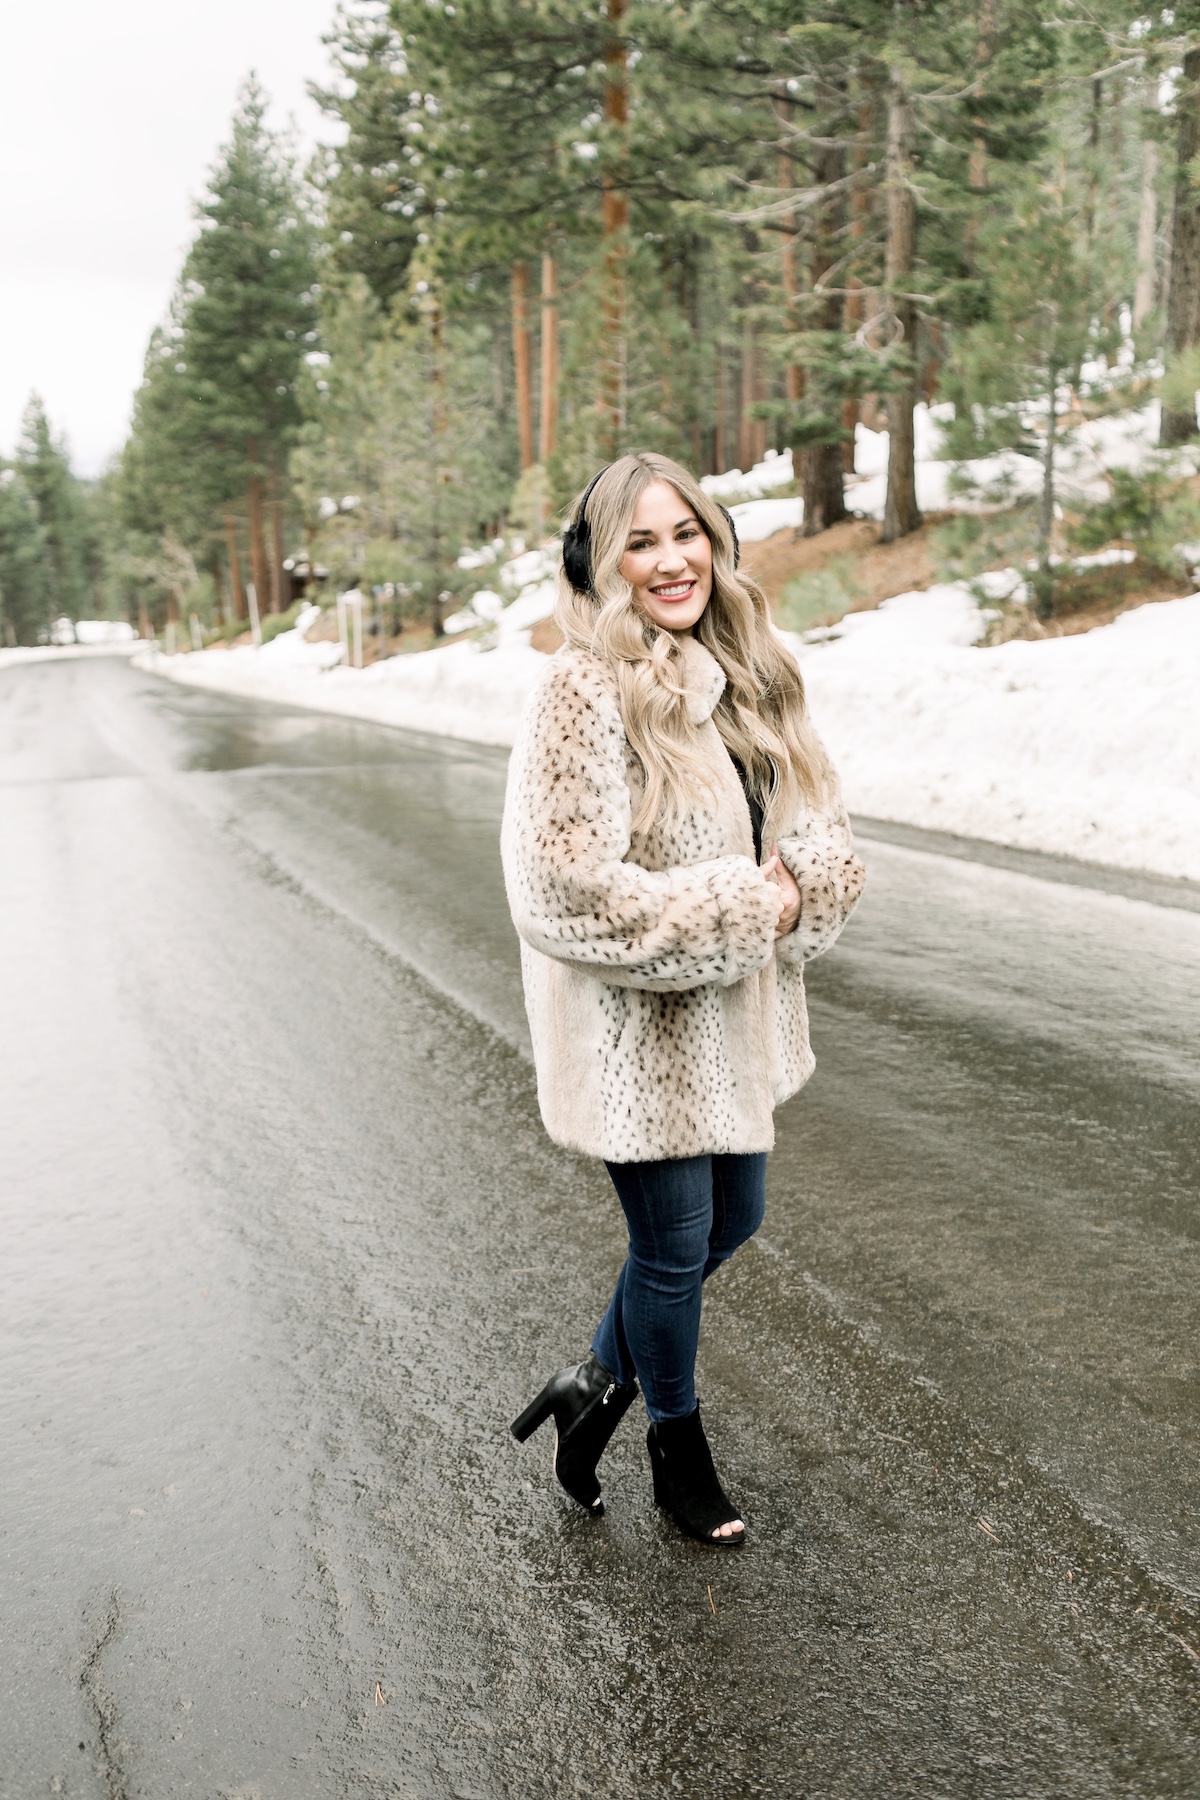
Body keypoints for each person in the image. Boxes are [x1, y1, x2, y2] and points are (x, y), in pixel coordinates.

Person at [501, 452, 865, 1546]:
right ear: (601, 562)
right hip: (640, 1032)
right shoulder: (581, 688)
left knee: (736, 1218)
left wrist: (809, 880)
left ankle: (589, 1385)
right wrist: (740, 913)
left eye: (687, 533)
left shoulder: (751, 666)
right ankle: (677, 1450)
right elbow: (562, 890)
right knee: (671, 1250)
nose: (671, 561)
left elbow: (813, 818)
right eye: (640, 541)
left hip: (730, 1026)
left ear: (717, 539)